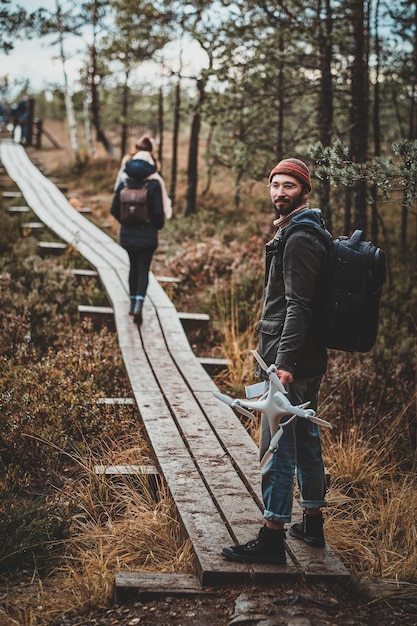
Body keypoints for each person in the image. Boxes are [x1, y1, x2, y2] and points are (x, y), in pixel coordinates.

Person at [222, 158, 329, 565]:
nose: (279, 192)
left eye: (288, 186)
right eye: (275, 185)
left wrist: (283, 364)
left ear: (305, 190)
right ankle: (312, 524)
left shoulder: (300, 237)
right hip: (306, 356)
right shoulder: (307, 230)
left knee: (276, 445)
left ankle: (272, 537)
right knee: (304, 437)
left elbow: (298, 306)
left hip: (286, 360)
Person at [110, 147, 165, 325]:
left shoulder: (124, 183)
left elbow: (114, 209)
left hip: (127, 236)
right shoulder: (154, 185)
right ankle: (139, 303)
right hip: (147, 235)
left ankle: (132, 301)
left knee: (133, 267)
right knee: (143, 269)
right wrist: (154, 225)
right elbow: (159, 214)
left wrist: (126, 222)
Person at [114, 135, 172, 220]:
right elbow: (158, 211)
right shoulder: (154, 177)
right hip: (148, 230)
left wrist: (125, 222)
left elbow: (114, 208)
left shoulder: (127, 165)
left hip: (126, 229)